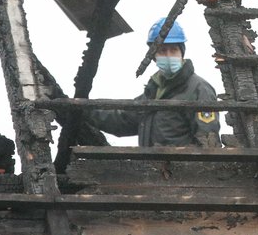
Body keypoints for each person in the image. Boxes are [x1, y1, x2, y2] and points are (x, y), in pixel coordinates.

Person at [91, 18, 221, 147]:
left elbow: (208, 141)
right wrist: (86, 111)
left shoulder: (199, 89)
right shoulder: (153, 91)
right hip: (151, 166)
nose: (169, 55)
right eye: (163, 50)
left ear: (182, 52)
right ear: (154, 55)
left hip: (181, 166)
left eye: (173, 49)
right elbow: (122, 120)